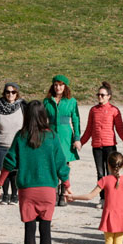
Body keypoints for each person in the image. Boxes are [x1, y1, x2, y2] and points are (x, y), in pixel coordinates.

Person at [0, 100, 70, 244]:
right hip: (48, 189)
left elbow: (9, 162)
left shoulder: (21, 136)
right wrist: (66, 185)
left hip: (27, 189)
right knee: (45, 230)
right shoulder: (51, 136)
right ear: (44, 116)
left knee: (29, 229)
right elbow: (61, 164)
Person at [78, 82, 123, 200]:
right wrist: (81, 142)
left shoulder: (114, 110)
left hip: (110, 146)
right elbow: (89, 129)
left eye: (102, 95)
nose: (100, 97)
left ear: (108, 96)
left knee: (111, 173)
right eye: (98, 95)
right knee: (100, 173)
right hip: (97, 147)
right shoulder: (93, 110)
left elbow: (120, 128)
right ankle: (103, 198)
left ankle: (112, 196)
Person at [42, 75, 81, 206]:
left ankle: (63, 193)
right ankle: (52, 192)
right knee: (51, 164)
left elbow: (76, 120)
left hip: (65, 136)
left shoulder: (71, 101)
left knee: (64, 165)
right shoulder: (47, 101)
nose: (58, 88)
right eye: (56, 85)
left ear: (65, 87)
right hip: (51, 135)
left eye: (61, 85)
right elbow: (42, 120)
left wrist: (77, 138)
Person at [0, 83, 25, 205]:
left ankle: (14, 195)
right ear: (4, 93)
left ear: (17, 93)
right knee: (4, 169)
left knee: (16, 171)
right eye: (8, 92)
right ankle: (5, 195)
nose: (10, 94)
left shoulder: (23, 106)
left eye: (13, 92)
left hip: (18, 145)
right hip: (2, 143)